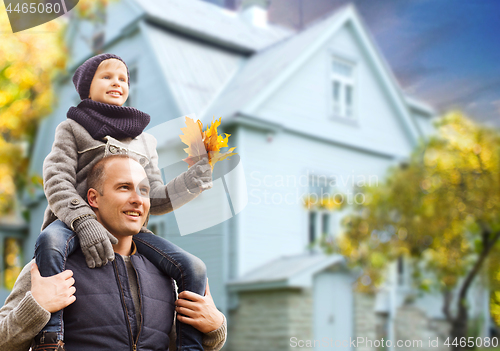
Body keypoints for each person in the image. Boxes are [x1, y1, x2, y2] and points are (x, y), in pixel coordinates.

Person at [35, 53, 213, 351]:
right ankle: (51, 337)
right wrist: (83, 221)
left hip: (127, 229)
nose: (117, 82)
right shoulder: (72, 128)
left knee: (193, 267)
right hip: (73, 221)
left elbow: (152, 197)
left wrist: (188, 184)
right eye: (107, 76)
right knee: (48, 243)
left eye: (123, 79)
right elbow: (56, 180)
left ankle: (189, 346)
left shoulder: (145, 140)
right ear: (86, 87)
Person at [0, 155, 227, 351]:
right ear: (93, 198)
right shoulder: (53, 267)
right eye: (124, 187)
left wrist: (215, 328)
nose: (138, 200)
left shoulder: (165, 274)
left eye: (144, 191)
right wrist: (35, 307)